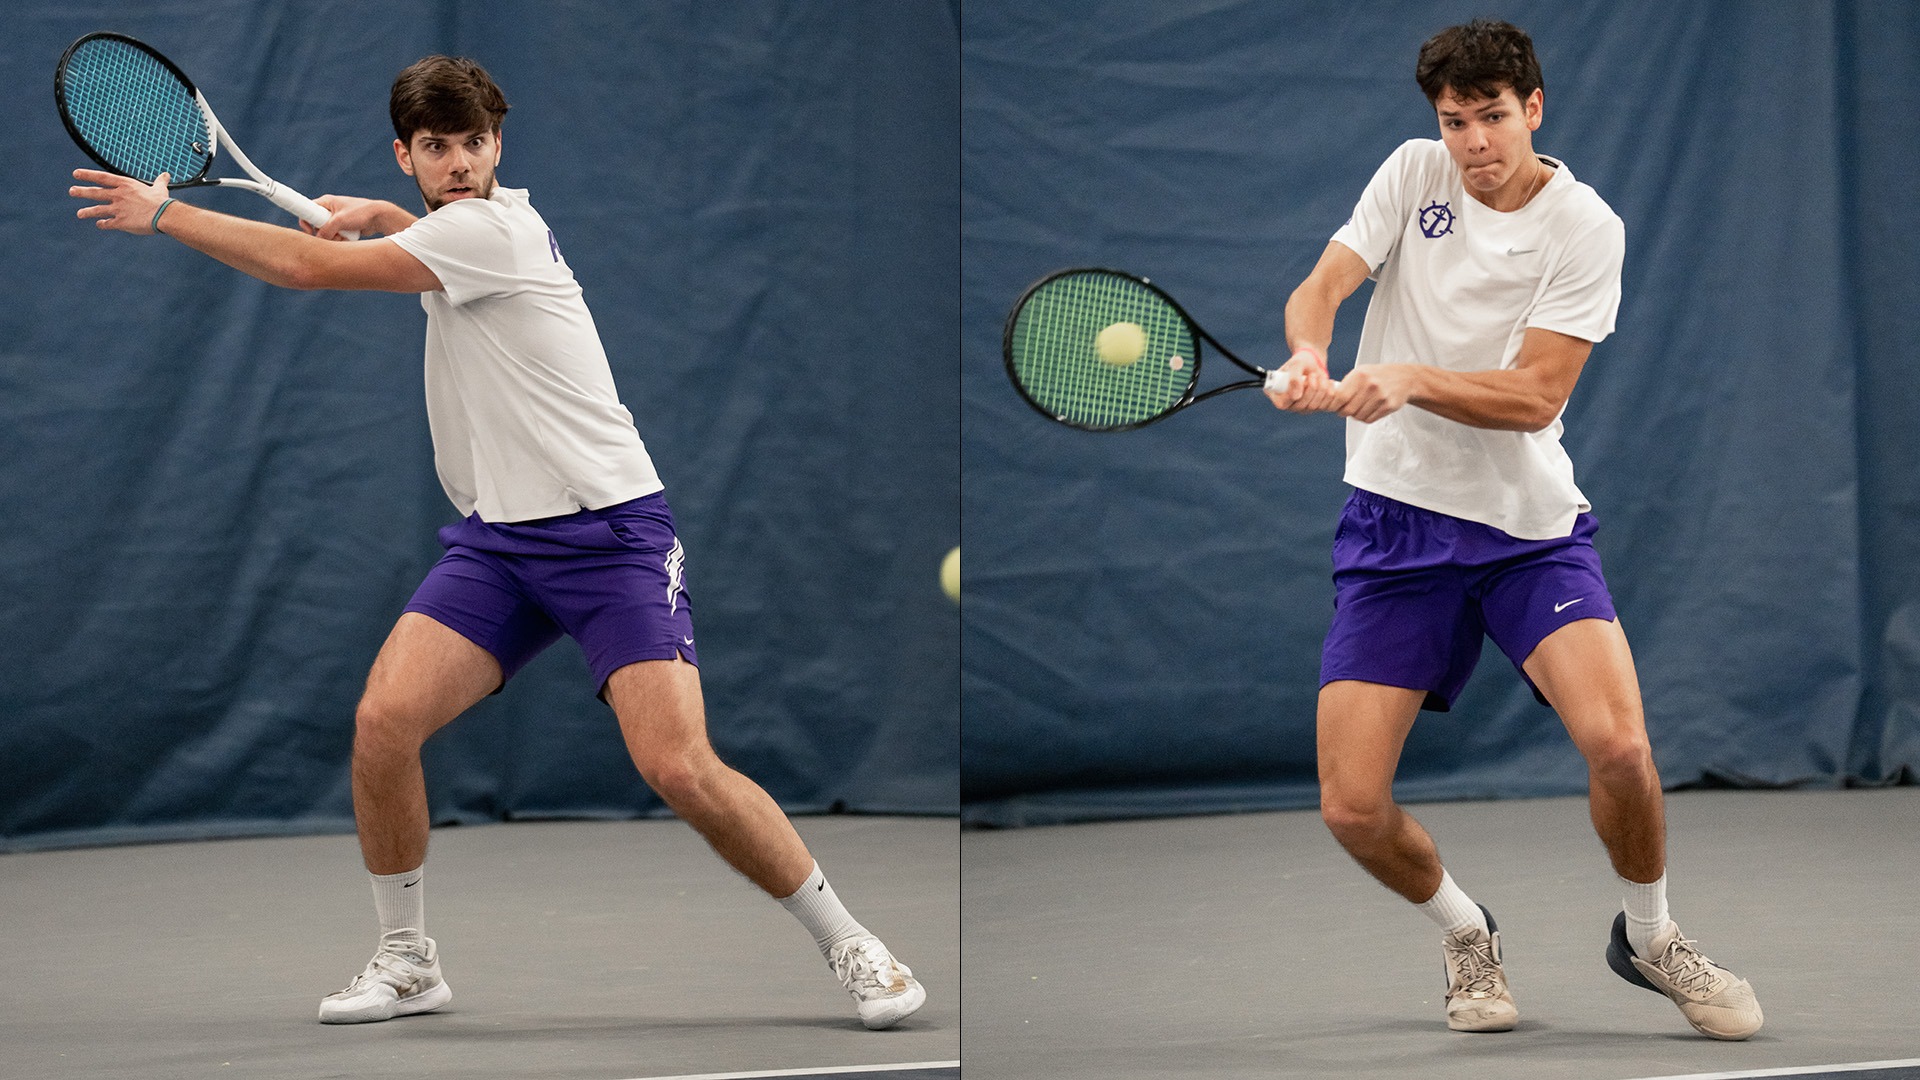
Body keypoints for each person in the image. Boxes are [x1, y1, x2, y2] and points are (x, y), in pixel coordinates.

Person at [69, 55, 924, 1031]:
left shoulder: (490, 229)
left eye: (473, 143)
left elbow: (308, 268)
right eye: (435, 147)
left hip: (610, 537)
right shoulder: (454, 230)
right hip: (502, 545)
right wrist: (392, 220)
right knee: (383, 725)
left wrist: (167, 215)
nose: (459, 163)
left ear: (497, 145)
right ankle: (407, 960)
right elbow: (421, 246)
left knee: (680, 767)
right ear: (406, 155)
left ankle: (852, 942)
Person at [1264, 20, 1760, 1040]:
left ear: (1533, 108)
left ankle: (1651, 935)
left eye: (1492, 116)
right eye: (1456, 121)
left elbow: (1536, 395)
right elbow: (1322, 286)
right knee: (1351, 807)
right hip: (1396, 533)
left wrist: (1407, 379)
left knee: (1620, 747)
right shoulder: (1413, 173)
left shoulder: (1585, 226)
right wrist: (1310, 351)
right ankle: (1465, 930)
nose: (1475, 142)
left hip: (1527, 534)